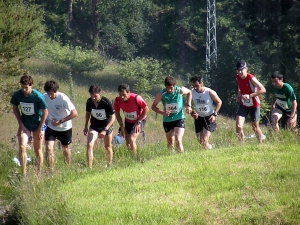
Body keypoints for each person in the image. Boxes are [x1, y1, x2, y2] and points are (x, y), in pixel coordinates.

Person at [10, 74, 48, 176]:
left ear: (31, 85)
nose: (24, 90)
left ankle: (39, 173)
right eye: (22, 87)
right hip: (25, 124)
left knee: (37, 149)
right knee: (22, 147)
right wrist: (20, 124)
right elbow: (14, 108)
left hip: (38, 124)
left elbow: (45, 112)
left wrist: (40, 128)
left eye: (26, 87)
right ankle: (24, 173)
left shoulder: (38, 96)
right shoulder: (17, 95)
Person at [43, 80, 78, 173]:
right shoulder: (44, 97)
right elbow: (41, 109)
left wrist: (60, 121)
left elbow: (74, 113)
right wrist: (45, 119)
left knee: (65, 148)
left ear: (56, 91)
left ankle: (68, 169)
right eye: (48, 93)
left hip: (65, 127)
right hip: (51, 127)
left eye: (51, 93)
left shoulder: (63, 98)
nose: (49, 96)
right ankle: (51, 171)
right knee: (49, 148)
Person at [151, 76, 192, 152]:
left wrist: (189, 105)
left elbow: (189, 92)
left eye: (171, 87)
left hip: (179, 118)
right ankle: (171, 158)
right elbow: (153, 106)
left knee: (178, 140)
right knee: (170, 144)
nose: (169, 90)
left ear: (174, 86)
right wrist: (163, 112)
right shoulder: (162, 93)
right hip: (167, 120)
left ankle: (182, 158)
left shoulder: (179, 90)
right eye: (167, 87)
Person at [83, 85, 115, 168]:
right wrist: (86, 126)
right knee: (90, 145)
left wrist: (105, 129)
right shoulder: (89, 102)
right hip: (94, 126)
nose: (93, 98)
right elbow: (87, 114)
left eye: (95, 96)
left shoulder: (106, 101)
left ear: (99, 93)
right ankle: (89, 167)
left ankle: (109, 166)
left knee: (107, 147)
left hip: (106, 125)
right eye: (91, 95)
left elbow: (113, 117)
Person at [235, 60, 266, 143]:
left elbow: (263, 90)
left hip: (254, 105)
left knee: (255, 127)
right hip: (243, 104)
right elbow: (239, 85)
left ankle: (260, 143)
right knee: (238, 125)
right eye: (238, 70)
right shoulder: (237, 77)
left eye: (242, 70)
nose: (240, 72)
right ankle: (241, 145)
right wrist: (239, 94)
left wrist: (250, 95)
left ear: (246, 69)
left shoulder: (251, 78)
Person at [113, 84, 149, 154]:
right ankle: (130, 156)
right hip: (128, 121)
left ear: (129, 92)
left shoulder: (136, 98)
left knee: (132, 139)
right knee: (128, 141)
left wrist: (139, 122)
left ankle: (134, 159)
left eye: (124, 94)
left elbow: (146, 109)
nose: (122, 97)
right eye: (120, 95)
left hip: (140, 120)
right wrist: (122, 126)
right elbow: (117, 114)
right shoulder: (117, 100)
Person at [190, 76, 222, 149]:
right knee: (200, 141)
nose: (195, 88)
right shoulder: (191, 92)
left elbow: (219, 102)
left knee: (204, 139)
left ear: (202, 84)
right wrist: (192, 113)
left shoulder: (209, 92)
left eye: (197, 86)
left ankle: (210, 152)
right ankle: (211, 147)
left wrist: (214, 114)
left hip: (209, 117)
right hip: (198, 118)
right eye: (193, 86)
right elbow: (188, 104)